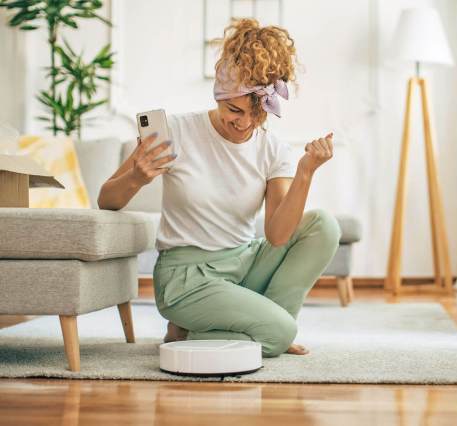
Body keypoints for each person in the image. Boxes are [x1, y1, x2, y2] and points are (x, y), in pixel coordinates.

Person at [98, 18, 340, 357]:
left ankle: (268, 327)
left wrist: (305, 173)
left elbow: (278, 236)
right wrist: (137, 176)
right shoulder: (178, 131)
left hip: (244, 263)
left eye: (256, 116)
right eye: (234, 110)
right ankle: (260, 332)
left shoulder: (272, 149)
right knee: (279, 333)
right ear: (219, 96)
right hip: (187, 278)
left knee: (323, 225)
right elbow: (106, 200)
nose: (244, 124)